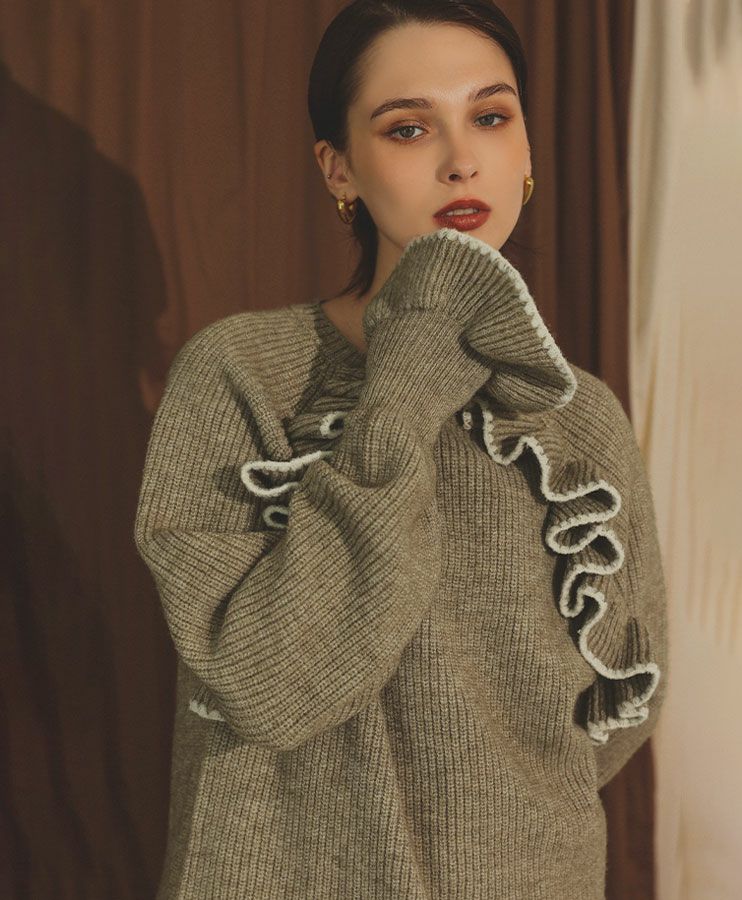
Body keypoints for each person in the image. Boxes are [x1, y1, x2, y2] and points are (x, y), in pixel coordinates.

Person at [134, 2, 669, 898]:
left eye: (490, 116)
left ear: (526, 150)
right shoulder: (240, 374)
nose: (461, 159)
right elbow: (270, 688)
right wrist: (409, 370)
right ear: (338, 167)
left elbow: (615, 719)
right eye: (409, 127)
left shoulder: (582, 418)